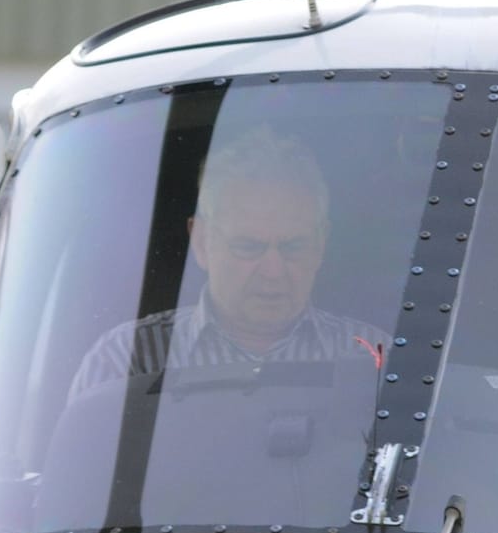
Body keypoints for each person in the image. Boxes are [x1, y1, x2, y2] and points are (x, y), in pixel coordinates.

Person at [68, 125, 385, 397]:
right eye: (248, 247)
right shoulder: (124, 363)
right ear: (202, 242)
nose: (273, 271)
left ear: (321, 245)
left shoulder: (374, 360)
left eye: (293, 247)